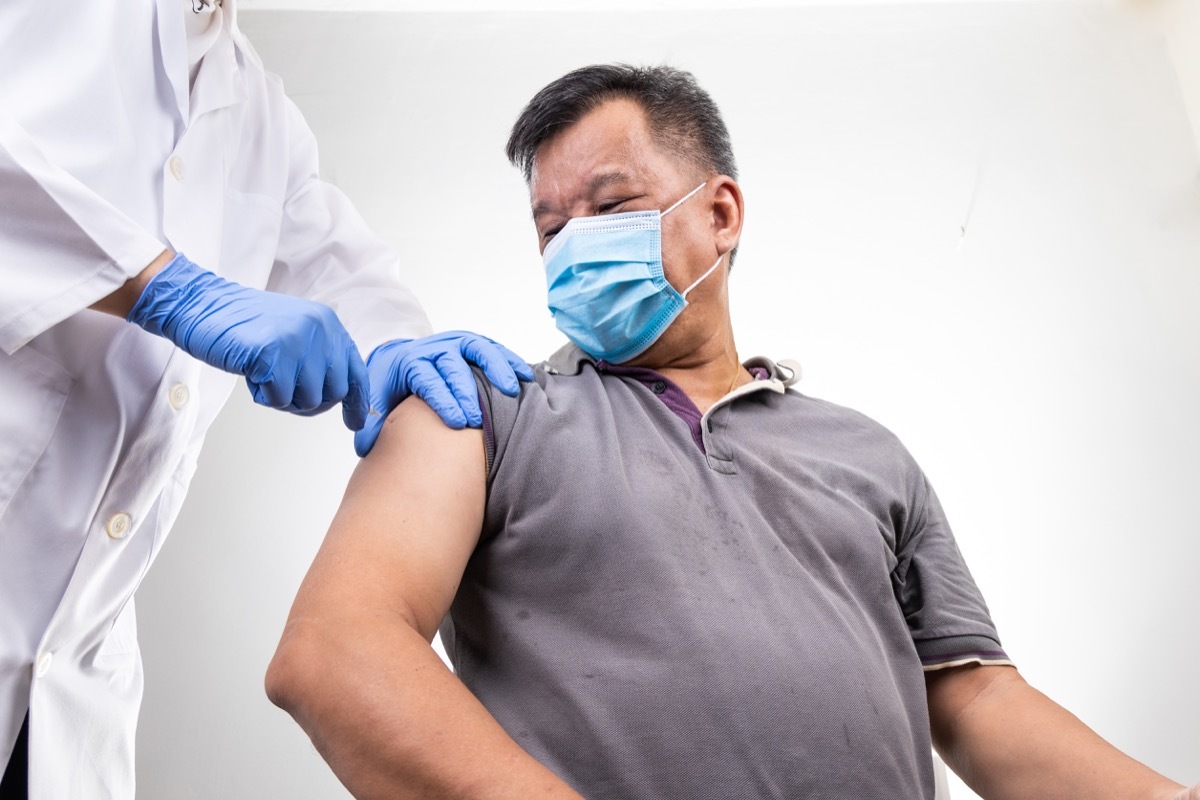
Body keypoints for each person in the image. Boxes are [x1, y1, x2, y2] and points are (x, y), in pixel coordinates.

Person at [265, 64, 1198, 799]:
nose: (574, 244)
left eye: (612, 206)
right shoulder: (479, 408)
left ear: (719, 215)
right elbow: (337, 652)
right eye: (550, 228)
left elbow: (975, 695)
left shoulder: (866, 454)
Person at [0, 1, 532, 797]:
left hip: (72, 681)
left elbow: (332, 259)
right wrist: (163, 284)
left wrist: (397, 341)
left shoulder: (257, 109)